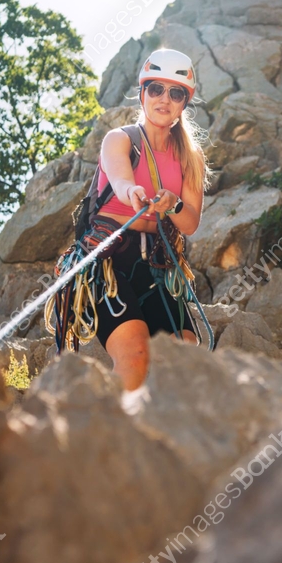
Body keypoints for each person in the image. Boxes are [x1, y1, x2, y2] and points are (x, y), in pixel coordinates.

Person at [88, 48, 211, 390]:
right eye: (156, 88)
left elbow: (189, 223)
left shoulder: (190, 158)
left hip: (157, 263)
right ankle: (114, 438)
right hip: (107, 261)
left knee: (186, 357)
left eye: (175, 93)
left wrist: (172, 206)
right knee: (135, 354)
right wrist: (134, 194)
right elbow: (121, 180)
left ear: (185, 102)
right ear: (142, 93)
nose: (164, 99)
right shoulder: (120, 139)